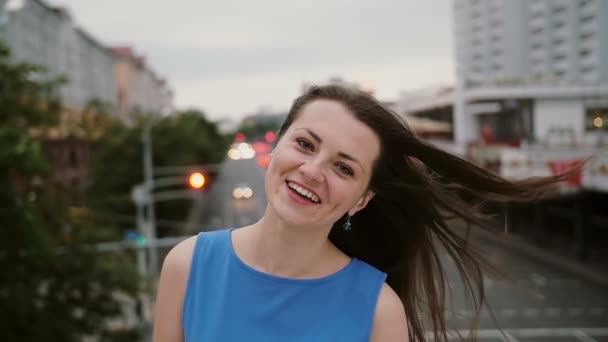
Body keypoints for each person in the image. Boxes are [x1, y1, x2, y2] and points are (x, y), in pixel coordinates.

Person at [153, 85, 575, 342]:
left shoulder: (378, 309)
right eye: (304, 144)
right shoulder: (187, 265)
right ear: (276, 147)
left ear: (361, 199)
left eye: (343, 167)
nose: (313, 171)